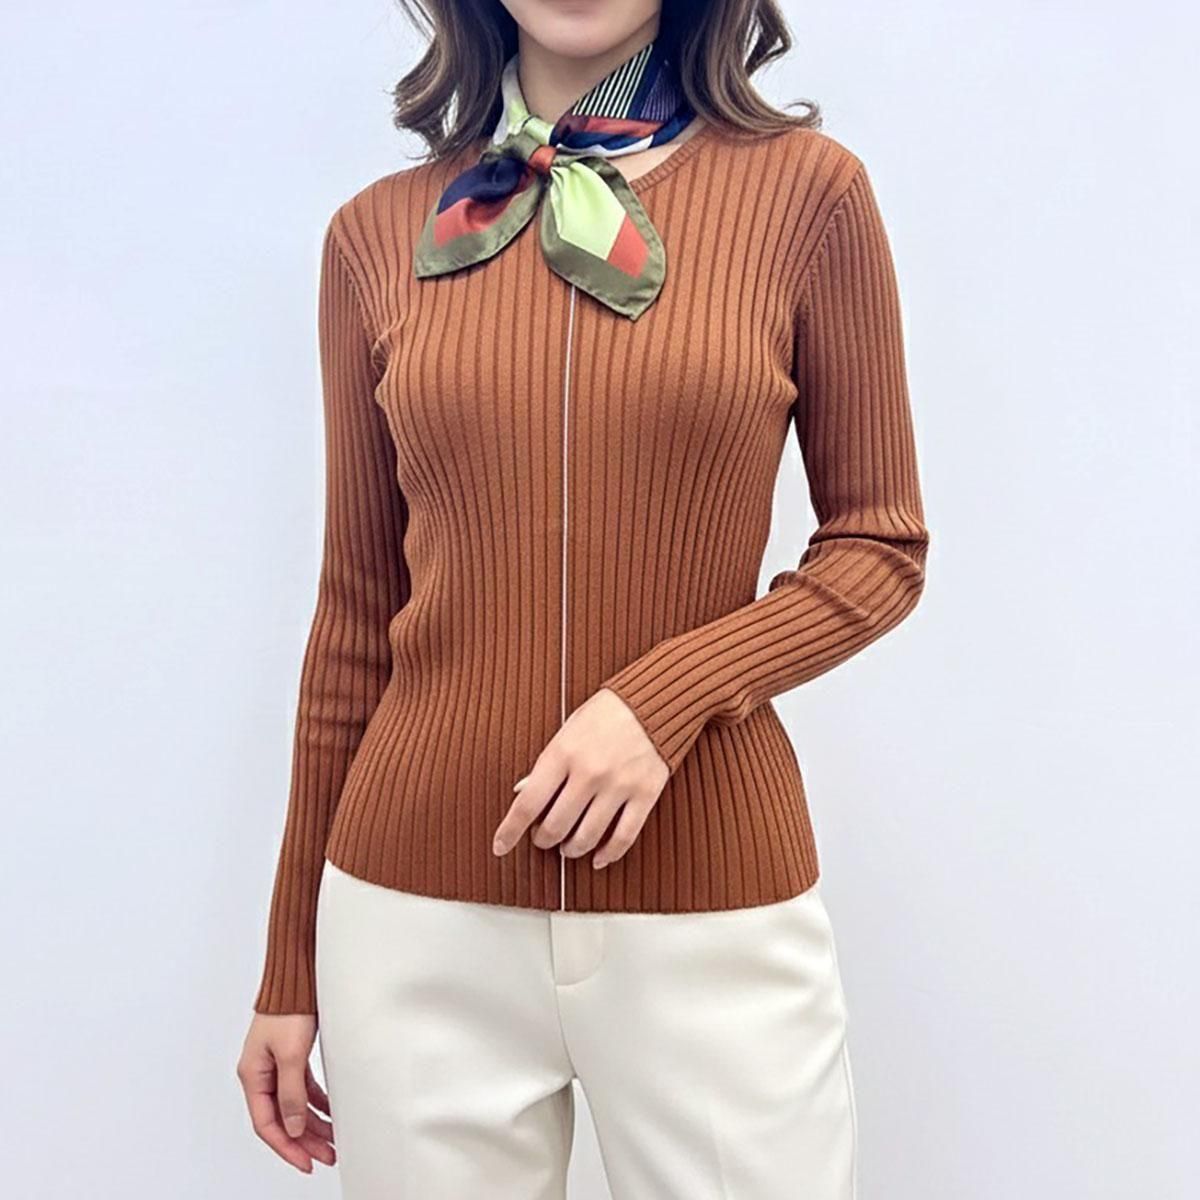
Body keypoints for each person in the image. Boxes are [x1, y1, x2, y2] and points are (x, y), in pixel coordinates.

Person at [236, 1, 930, 1196]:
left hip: (708, 906)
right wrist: (289, 965)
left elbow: (879, 544)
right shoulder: (378, 234)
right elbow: (355, 612)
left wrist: (662, 700)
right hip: (412, 923)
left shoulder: (808, 195)